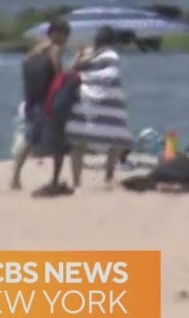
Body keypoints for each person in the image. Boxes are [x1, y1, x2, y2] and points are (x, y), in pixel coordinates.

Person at [66, 26, 136, 188]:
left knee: (78, 142)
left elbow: (72, 71)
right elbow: (111, 75)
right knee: (116, 139)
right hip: (110, 103)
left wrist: (81, 56)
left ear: (96, 39)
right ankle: (108, 176)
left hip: (85, 103)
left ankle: (77, 181)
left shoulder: (91, 55)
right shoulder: (111, 54)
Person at [10, 19, 70, 191]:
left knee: (30, 139)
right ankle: (55, 179)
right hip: (47, 101)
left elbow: (24, 67)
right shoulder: (55, 49)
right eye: (66, 35)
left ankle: (15, 177)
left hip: (31, 101)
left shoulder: (35, 49)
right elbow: (59, 75)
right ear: (58, 34)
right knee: (59, 141)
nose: (66, 39)